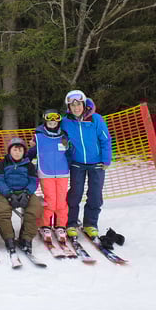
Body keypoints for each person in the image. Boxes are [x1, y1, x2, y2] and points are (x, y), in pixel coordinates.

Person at [60, 89, 112, 239]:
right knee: (75, 193)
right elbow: (50, 129)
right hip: (77, 162)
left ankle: (91, 224)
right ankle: (71, 223)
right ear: (69, 107)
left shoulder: (96, 119)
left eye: (78, 104)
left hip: (97, 163)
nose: (76, 108)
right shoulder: (66, 121)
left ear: (84, 105)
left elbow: (105, 139)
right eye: (72, 105)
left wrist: (106, 159)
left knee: (95, 194)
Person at [27, 109, 71, 243]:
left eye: (55, 121)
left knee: (62, 201)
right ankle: (45, 225)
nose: (52, 123)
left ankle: (60, 226)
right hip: (46, 173)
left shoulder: (64, 136)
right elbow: (30, 154)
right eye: (49, 120)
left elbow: (70, 153)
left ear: (58, 122)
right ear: (45, 121)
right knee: (50, 201)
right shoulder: (38, 137)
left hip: (62, 173)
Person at [0, 137, 42, 254]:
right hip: (7, 192)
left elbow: (34, 181)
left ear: (24, 152)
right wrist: (8, 194)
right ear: (10, 151)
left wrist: (27, 193)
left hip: (25, 191)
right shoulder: (3, 163)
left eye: (20, 150)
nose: (17, 153)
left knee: (35, 209)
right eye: (15, 150)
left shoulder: (28, 165)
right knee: (1, 211)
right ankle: (9, 238)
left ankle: (26, 238)